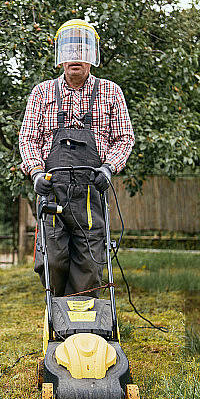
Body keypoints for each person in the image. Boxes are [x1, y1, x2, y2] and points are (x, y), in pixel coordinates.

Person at [19, 19, 135, 297]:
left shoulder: (110, 92)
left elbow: (124, 138)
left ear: (92, 58)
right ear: (60, 57)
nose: (76, 58)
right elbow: (28, 138)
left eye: (82, 52)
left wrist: (109, 168)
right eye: (70, 51)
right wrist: (35, 172)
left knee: (90, 263)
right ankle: (58, 313)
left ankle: (85, 325)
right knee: (52, 259)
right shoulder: (42, 92)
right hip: (52, 189)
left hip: (91, 191)